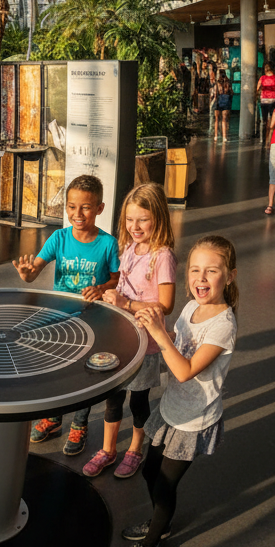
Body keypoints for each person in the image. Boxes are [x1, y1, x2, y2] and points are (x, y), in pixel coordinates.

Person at [119, 235, 239, 547]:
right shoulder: (191, 307)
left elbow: (186, 370)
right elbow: (179, 341)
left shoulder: (223, 326)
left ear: (229, 276)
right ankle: (162, 522)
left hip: (193, 420)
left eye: (211, 271)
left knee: (164, 485)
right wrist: (161, 328)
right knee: (148, 471)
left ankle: (152, 543)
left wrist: (160, 335)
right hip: (172, 408)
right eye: (195, 270)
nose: (200, 278)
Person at [13, 174, 120, 456]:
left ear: (99, 208)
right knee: (58, 369)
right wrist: (27, 274)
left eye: (85, 207)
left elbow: (116, 279)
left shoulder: (108, 244)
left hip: (93, 319)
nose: (77, 213)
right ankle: (55, 418)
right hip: (59, 320)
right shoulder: (58, 238)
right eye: (71, 206)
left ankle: (80, 423)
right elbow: (33, 271)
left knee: (85, 372)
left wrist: (101, 288)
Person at [78, 183, 178, 479]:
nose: (134, 226)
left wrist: (127, 303)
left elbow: (166, 305)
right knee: (112, 398)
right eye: (130, 219)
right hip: (120, 337)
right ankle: (108, 450)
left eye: (142, 220)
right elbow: (121, 284)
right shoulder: (130, 248)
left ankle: (135, 449)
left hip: (145, 344)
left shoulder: (163, 257)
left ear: (157, 218)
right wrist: (103, 291)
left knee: (137, 400)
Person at [259, 64, 275, 145]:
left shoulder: (262, 78)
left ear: (265, 69)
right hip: (273, 100)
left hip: (264, 101)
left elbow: (257, 88)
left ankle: (263, 139)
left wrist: (258, 96)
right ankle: (272, 139)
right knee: (273, 120)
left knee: (264, 121)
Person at [213, 73, 232, 143]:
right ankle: (224, 137)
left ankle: (216, 136)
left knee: (216, 119)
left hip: (218, 101)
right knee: (224, 120)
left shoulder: (217, 84)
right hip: (226, 102)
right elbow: (231, 92)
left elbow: (214, 94)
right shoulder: (227, 84)